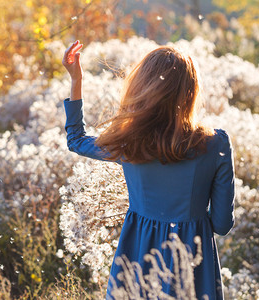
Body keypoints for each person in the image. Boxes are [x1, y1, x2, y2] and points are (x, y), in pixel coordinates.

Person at [61, 40, 235, 299]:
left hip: (137, 257)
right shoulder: (215, 144)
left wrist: (77, 79)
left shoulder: (129, 143)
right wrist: (192, 214)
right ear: (190, 92)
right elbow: (221, 225)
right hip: (192, 266)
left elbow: (76, 139)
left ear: (142, 88)